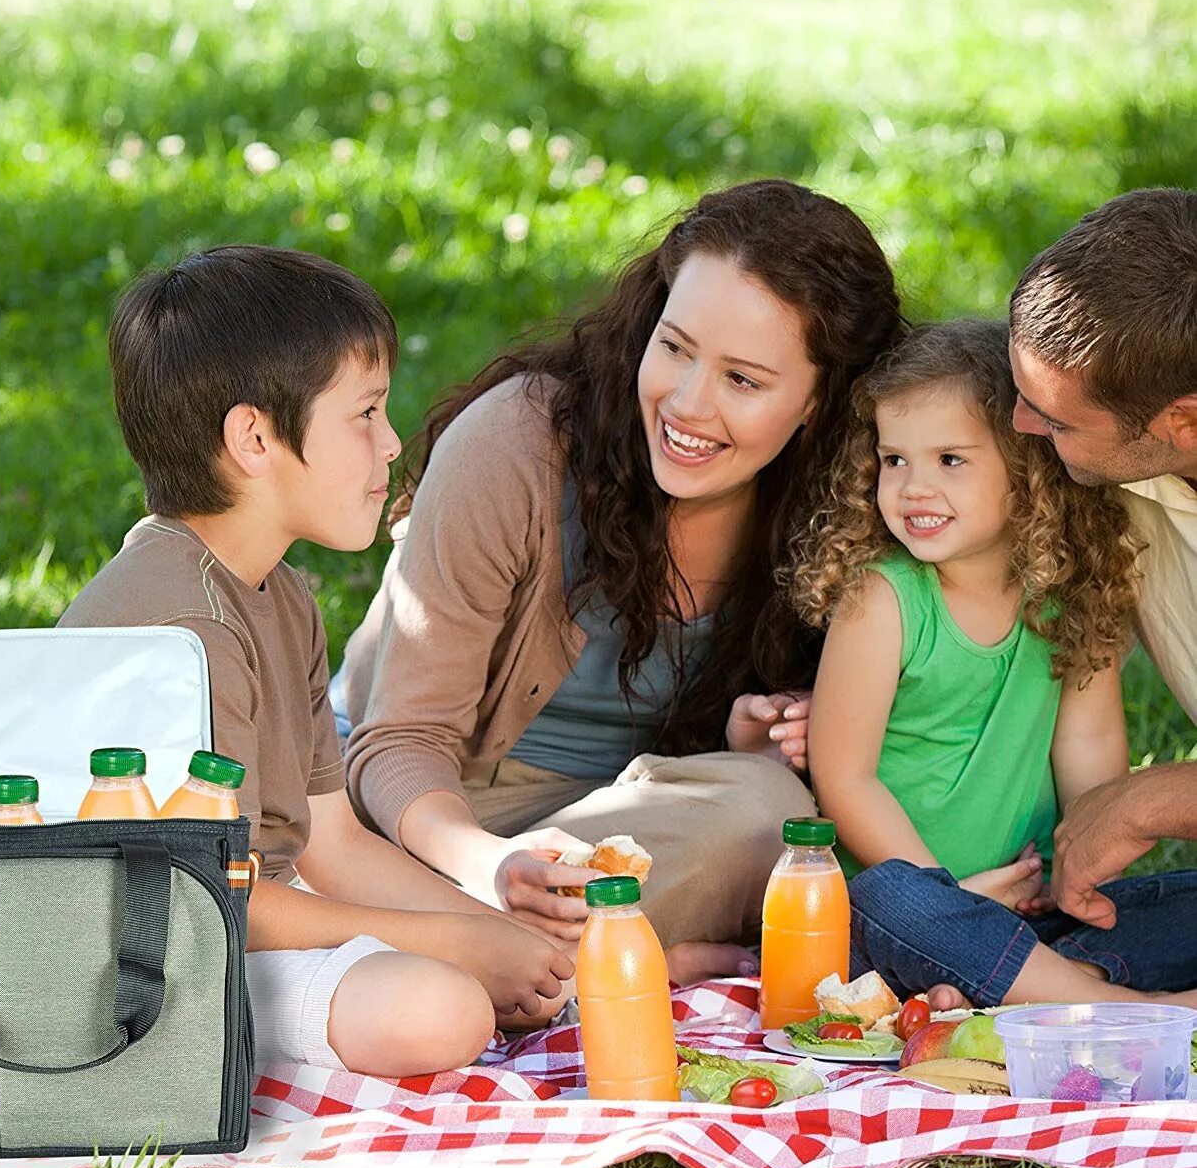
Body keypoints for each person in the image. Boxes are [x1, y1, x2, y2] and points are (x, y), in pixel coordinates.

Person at [334, 179, 904, 981]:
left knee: (768, 812)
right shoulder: (516, 447)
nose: (687, 403)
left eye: (743, 380)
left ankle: (513, 957)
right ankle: (604, 958)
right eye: (674, 348)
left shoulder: (851, 505)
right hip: (434, 812)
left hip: (628, 830)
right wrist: (490, 866)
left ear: (822, 400)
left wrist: (764, 738)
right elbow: (397, 741)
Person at [59, 246, 573, 1075]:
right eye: (365, 414)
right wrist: (455, 943)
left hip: (230, 930)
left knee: (471, 972)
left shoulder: (282, 596)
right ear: (255, 437)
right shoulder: (181, 627)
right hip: (130, 964)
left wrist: (494, 934)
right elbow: (203, 899)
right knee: (440, 1007)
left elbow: (331, 843)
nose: (392, 442)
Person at [794, 319, 1197, 1008]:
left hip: (1037, 905)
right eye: (895, 460)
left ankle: (1047, 983)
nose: (914, 486)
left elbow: (1090, 747)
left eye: (950, 460)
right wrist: (949, 895)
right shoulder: (883, 598)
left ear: (1027, 473)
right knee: (885, 900)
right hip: (908, 910)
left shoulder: (1070, 593)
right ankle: (1125, 1010)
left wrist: (1082, 876)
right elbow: (845, 778)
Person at [1007, 188, 1197, 928]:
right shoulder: (1125, 451)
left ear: (1183, 420)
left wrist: (1148, 800)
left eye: (1052, 419)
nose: (1019, 423)